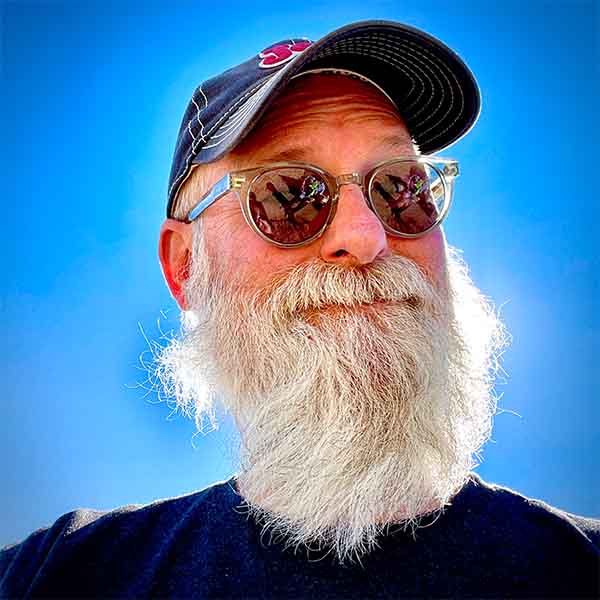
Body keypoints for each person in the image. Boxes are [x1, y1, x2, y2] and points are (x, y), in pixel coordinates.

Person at [1, 20, 598, 599]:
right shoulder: (57, 579)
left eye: (401, 188)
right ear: (186, 266)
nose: (367, 238)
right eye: (288, 194)